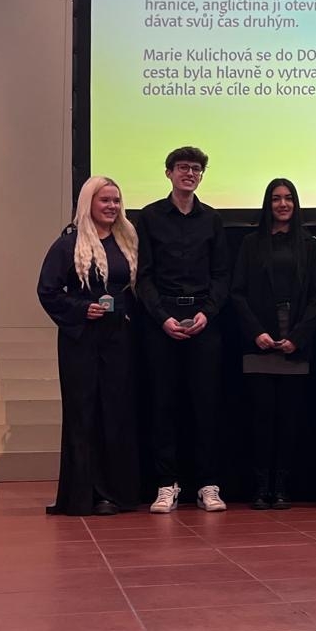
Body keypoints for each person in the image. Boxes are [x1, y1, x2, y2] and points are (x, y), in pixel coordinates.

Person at [37, 175, 140, 516]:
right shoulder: (68, 244)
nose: (112, 206)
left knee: (116, 412)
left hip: (119, 339)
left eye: (116, 200)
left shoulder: (127, 242)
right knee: (83, 414)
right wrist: (82, 309)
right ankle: (85, 494)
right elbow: (48, 291)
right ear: (88, 203)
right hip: (81, 340)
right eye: (105, 200)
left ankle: (115, 493)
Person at [135, 146, 230, 513]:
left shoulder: (213, 220)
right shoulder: (149, 217)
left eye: (195, 169)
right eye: (182, 168)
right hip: (162, 321)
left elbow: (222, 274)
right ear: (169, 173)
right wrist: (162, 317)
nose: (189, 173)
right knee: (163, 404)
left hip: (204, 319)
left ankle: (208, 484)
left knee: (207, 405)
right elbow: (143, 276)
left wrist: (208, 312)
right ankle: (166, 484)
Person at [231, 178, 316, 510]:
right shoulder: (250, 243)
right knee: (261, 419)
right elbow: (237, 293)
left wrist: (298, 337)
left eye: (288, 198)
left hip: (294, 343)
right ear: (267, 204)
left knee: (289, 421)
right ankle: (260, 487)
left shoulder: (311, 245)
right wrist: (256, 332)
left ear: (296, 204)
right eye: (276, 199)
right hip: (259, 342)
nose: (282, 204)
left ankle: (282, 486)